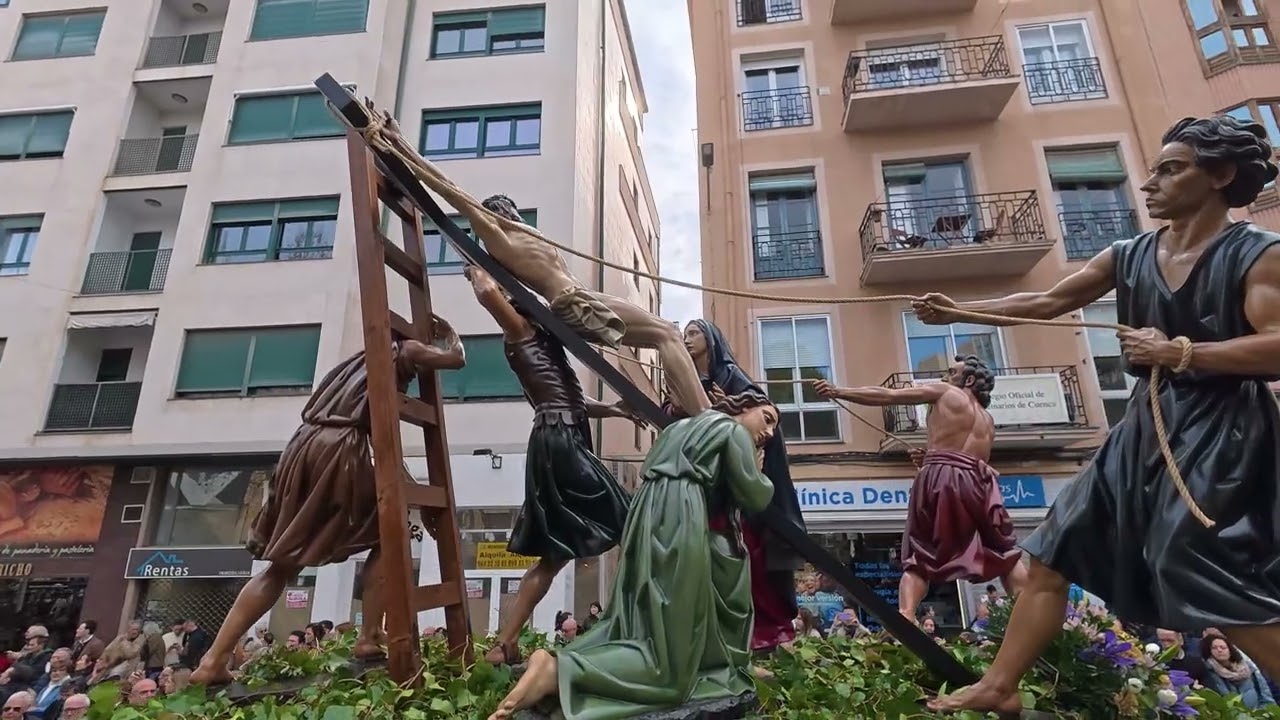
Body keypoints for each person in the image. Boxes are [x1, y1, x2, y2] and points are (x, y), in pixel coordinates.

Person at [920, 115, 1280, 714]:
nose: (1149, 184)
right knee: (1054, 549)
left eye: (1171, 169)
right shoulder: (1130, 253)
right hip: (1144, 425)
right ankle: (999, 685)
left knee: (1198, 568)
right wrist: (964, 309)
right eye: (1155, 169)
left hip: (1223, 430)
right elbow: (1047, 299)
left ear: (1219, 175)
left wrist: (1183, 352)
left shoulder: (1258, 254)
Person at [190, 322, 467, 686]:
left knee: (281, 566)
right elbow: (456, 359)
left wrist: (411, 488)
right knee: (388, 531)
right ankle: (369, 636)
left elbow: (382, 446)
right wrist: (448, 334)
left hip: (303, 446)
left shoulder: (354, 365)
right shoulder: (406, 349)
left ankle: (213, 660)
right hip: (340, 452)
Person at [367, 132, 708, 419]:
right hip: (570, 303)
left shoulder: (523, 233)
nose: (514, 212)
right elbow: (449, 189)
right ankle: (705, 415)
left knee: (666, 333)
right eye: (507, 208)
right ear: (497, 213)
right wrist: (400, 145)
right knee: (665, 333)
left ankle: (687, 404)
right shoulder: (498, 235)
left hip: (581, 297)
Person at [487, 390, 779, 720]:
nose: (768, 433)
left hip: (648, 516)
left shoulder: (682, 428)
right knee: (669, 662)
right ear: (742, 406)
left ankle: (571, 667)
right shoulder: (730, 430)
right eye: (766, 419)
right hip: (681, 517)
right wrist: (759, 470)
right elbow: (754, 495)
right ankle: (560, 671)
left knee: (640, 623)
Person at [464, 265, 639, 666]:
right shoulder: (520, 331)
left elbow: (570, 400)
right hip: (559, 439)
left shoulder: (540, 343)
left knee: (555, 555)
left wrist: (614, 410)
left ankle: (504, 644)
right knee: (631, 518)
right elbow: (489, 291)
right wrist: (483, 260)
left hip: (560, 434)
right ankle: (636, 627)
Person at [814, 357, 1027, 623]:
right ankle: (1030, 613)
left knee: (919, 555)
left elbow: (890, 395)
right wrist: (930, 458)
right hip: (982, 481)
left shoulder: (945, 391)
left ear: (969, 380)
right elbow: (968, 459)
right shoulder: (987, 419)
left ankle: (906, 617)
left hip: (943, 476)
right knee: (1006, 552)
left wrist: (839, 392)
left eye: (953, 372)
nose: (946, 375)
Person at [669, 319, 805, 652]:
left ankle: (765, 627)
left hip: (738, 487)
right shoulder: (687, 380)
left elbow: (758, 417)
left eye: (694, 334)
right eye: (684, 335)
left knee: (748, 556)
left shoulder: (733, 379)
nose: (687, 341)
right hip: (707, 483)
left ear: (711, 340)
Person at [1201, 634, 1274, 708]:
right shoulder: (1209, 671)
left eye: (1223, 647)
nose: (1219, 650)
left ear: (1230, 649)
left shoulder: (1247, 667)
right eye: (1214, 648)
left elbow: (1264, 693)